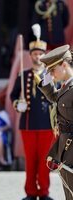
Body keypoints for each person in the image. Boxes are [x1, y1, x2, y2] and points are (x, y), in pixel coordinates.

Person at [10, 32, 54, 199]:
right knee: (30, 160)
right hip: (28, 123)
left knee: (44, 161)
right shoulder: (23, 74)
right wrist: (17, 104)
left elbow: (55, 96)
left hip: (46, 123)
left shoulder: (50, 74)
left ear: (44, 55)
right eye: (35, 54)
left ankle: (44, 191)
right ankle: (30, 192)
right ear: (30, 56)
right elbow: (13, 95)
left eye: (40, 54)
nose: (38, 56)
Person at [38, 44, 73, 200]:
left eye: (52, 70)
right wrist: (46, 80)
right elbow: (56, 98)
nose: (51, 74)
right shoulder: (65, 87)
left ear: (64, 65)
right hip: (65, 147)